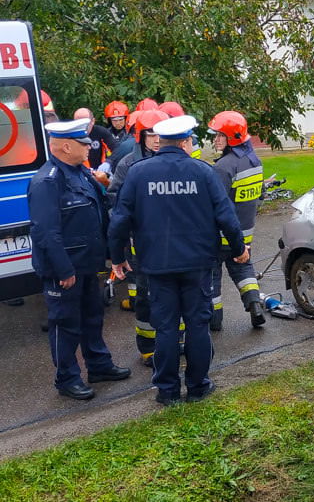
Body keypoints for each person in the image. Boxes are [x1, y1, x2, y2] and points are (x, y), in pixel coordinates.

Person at [108, 115, 249, 405]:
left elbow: (120, 220)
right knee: (197, 325)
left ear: (159, 141)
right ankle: (198, 386)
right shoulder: (203, 172)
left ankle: (168, 391)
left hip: (156, 266)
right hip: (197, 264)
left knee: (166, 327)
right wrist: (239, 249)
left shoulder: (138, 172)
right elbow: (226, 216)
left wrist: (116, 257)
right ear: (186, 141)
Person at [28, 118, 131, 400]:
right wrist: (63, 269)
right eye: (83, 143)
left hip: (87, 264)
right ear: (64, 146)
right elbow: (46, 233)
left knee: (92, 317)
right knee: (65, 324)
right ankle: (67, 378)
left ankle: (99, 365)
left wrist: (112, 256)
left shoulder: (82, 174)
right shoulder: (47, 182)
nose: (89, 147)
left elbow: (99, 217)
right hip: (65, 269)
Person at [107, 109, 176, 366]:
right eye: (151, 134)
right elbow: (114, 203)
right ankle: (148, 346)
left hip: (171, 240)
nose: (157, 139)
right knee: (145, 297)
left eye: (160, 133)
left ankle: (175, 341)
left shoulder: (174, 161)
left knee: (173, 295)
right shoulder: (128, 165)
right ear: (141, 136)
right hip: (142, 242)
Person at [207, 111, 266, 330]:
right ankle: (255, 305)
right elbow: (259, 197)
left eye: (220, 135)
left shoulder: (223, 167)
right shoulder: (254, 160)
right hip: (245, 233)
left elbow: (216, 205)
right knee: (243, 269)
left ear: (231, 138)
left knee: (212, 275)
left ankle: (215, 321)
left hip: (220, 235)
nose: (216, 139)